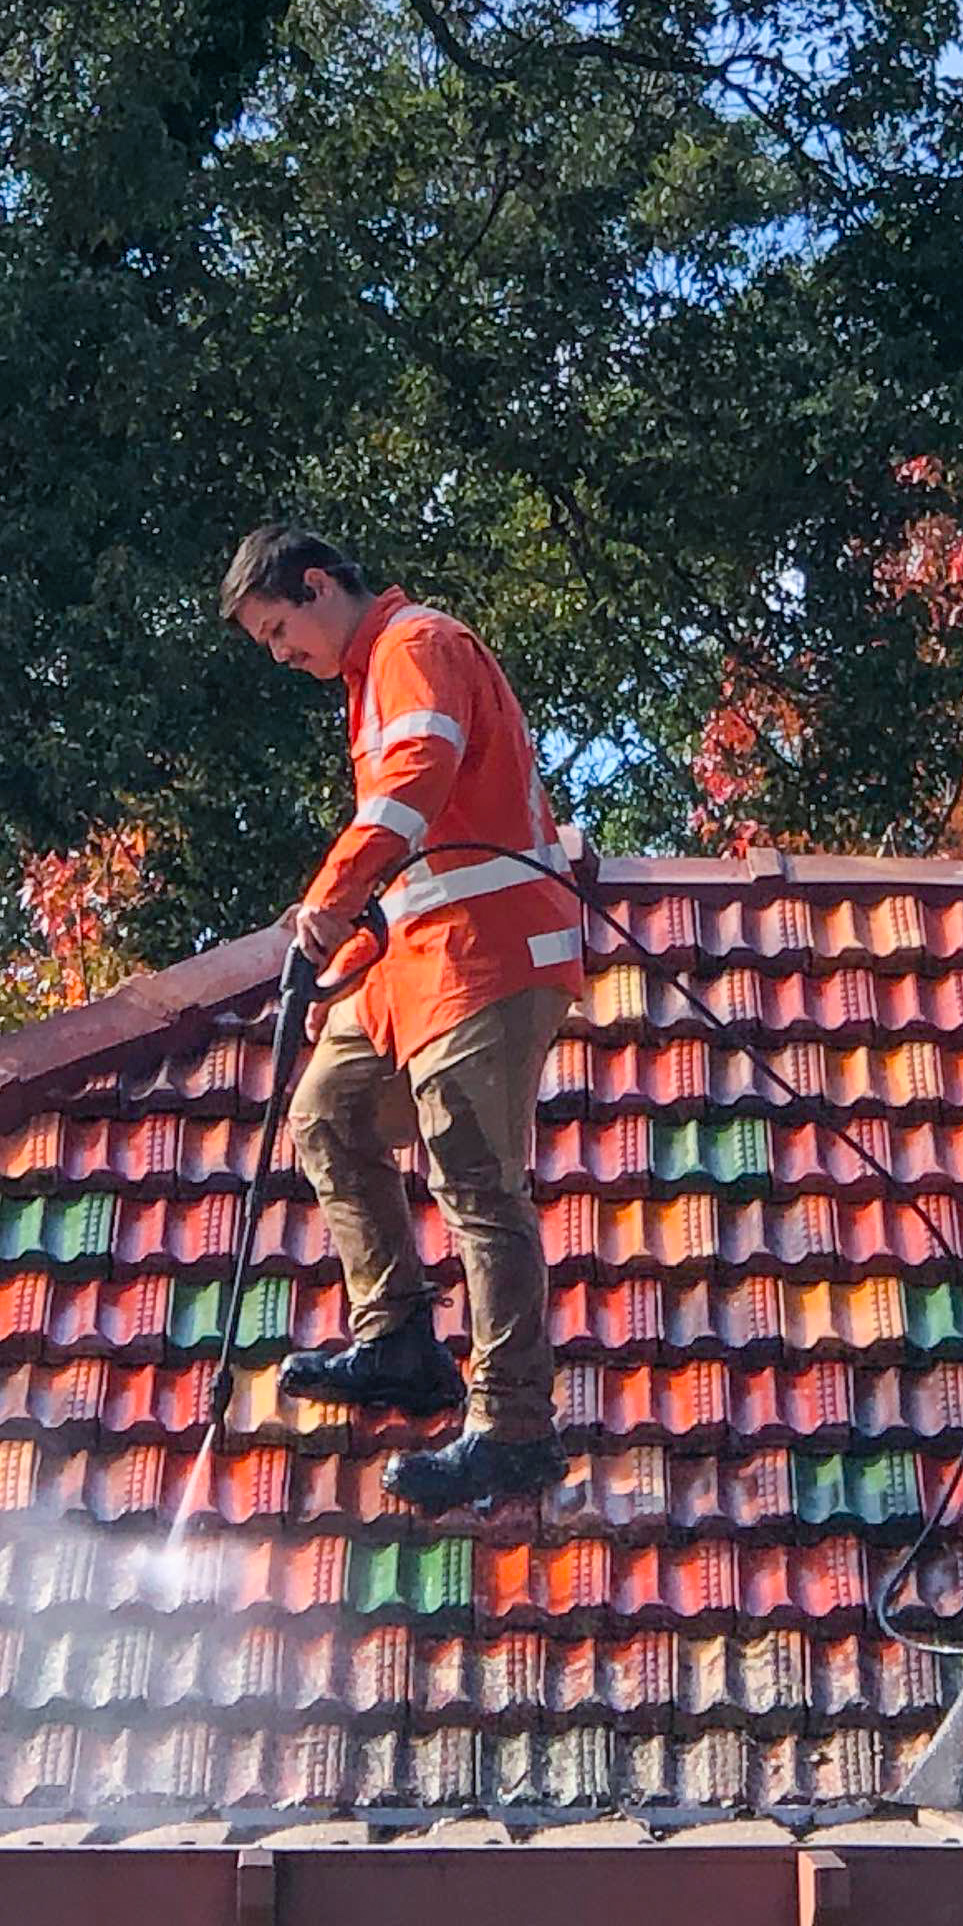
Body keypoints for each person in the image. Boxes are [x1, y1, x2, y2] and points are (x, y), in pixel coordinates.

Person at [220, 523, 583, 1512]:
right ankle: (397, 1343)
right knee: (327, 1114)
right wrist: (349, 940)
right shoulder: (368, 678)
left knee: (473, 1174)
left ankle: (514, 1429)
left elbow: (416, 787)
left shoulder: (415, 645)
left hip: (489, 956)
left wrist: (328, 899)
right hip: (415, 964)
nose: (282, 655)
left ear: (322, 584)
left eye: (279, 630)